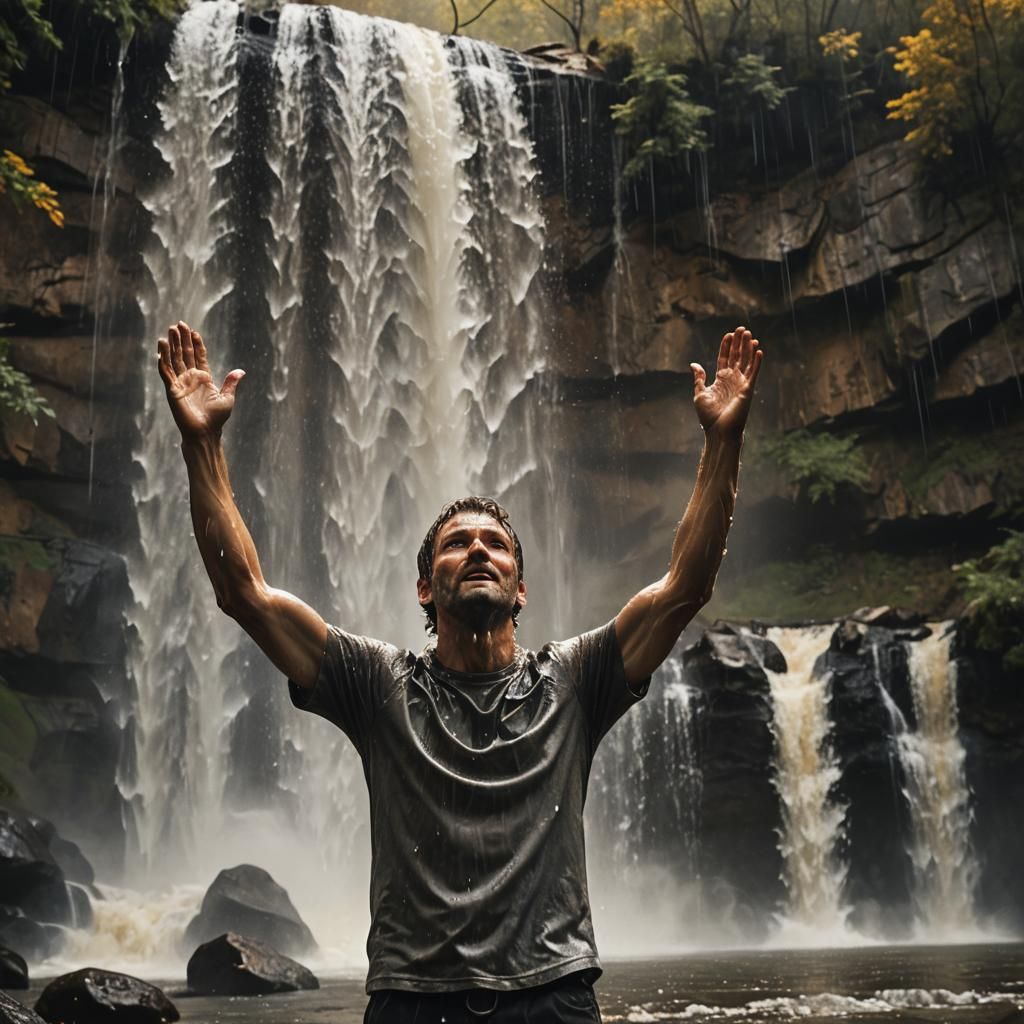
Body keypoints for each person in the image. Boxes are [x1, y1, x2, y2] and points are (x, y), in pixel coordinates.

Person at [157, 319, 763, 1023]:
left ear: (521, 588)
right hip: (414, 999)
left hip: (552, 995)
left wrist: (723, 441)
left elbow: (685, 588)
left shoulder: (576, 679)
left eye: (495, 543)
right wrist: (201, 444)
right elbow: (246, 595)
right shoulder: (378, 684)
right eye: (456, 543)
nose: (478, 550)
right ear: (424, 587)